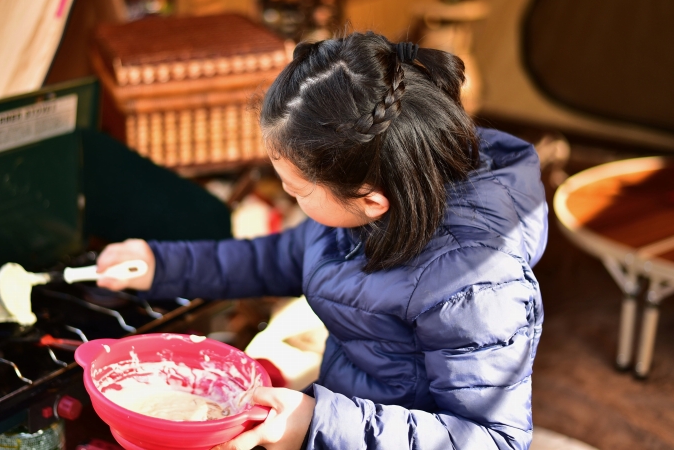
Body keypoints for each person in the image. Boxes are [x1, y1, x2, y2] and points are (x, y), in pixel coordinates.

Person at [96, 31, 547, 450]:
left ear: (371, 201)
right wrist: (159, 263)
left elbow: (492, 439)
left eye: (296, 190)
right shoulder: (358, 206)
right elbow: (273, 259)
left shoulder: (475, 285)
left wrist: (318, 423)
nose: (289, 195)